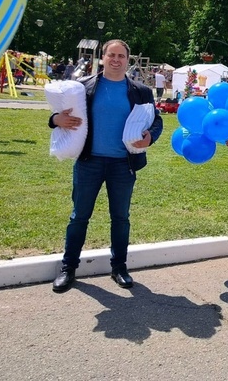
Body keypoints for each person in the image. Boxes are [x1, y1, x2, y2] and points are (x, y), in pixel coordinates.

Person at [48, 39, 163, 293]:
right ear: (103, 57)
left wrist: (150, 137)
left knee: (120, 218)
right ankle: (68, 268)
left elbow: (157, 121)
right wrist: (56, 119)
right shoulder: (83, 87)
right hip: (89, 162)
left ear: (127, 60)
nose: (116, 60)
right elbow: (57, 114)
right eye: (111, 55)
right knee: (79, 217)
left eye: (121, 56)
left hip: (123, 164)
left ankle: (119, 267)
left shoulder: (140, 90)